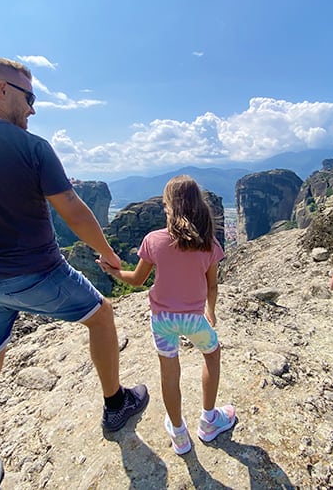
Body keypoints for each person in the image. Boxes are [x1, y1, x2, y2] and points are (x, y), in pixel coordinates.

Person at [0, 58, 149, 489]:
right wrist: (109, 255)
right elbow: (75, 213)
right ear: (1, 89)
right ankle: (116, 404)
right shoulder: (33, 147)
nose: (33, 109)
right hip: (38, 274)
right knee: (100, 314)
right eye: (30, 97)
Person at [98, 175, 235, 455]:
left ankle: (179, 434)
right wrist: (211, 312)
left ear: (170, 207)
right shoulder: (209, 244)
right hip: (194, 319)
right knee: (212, 353)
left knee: (169, 373)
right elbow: (212, 285)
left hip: (162, 320)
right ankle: (209, 421)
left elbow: (136, 280)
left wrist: (113, 271)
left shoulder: (154, 241)